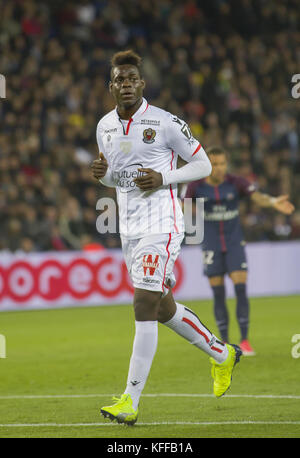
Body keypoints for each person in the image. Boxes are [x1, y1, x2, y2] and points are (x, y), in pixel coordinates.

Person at [91, 51, 242, 426]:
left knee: (143, 302)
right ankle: (223, 355)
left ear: (142, 84)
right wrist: (103, 175)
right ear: (111, 87)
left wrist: (165, 178)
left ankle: (130, 399)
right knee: (161, 308)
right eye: (119, 80)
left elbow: (203, 165)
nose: (126, 85)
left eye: (132, 79)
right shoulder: (104, 127)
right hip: (129, 227)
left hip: (163, 223)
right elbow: (117, 177)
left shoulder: (166, 123)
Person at [185, 146, 295, 355]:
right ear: (207, 165)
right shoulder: (195, 186)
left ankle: (244, 340)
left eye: (222, 164)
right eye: (214, 164)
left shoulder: (236, 183)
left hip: (234, 243)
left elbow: (257, 197)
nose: (218, 168)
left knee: (240, 289)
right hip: (211, 245)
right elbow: (182, 205)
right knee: (218, 293)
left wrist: (272, 202)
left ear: (227, 164)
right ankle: (224, 343)